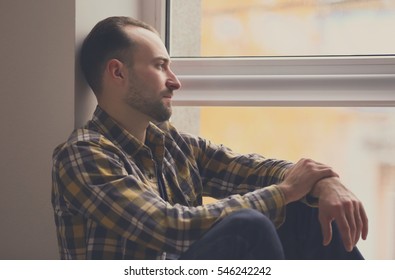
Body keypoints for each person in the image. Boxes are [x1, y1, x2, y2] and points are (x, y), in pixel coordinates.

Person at [51, 16, 368, 260]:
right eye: (160, 66)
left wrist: (324, 182)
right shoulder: (83, 154)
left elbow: (252, 169)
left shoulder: (173, 146)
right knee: (249, 227)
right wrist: (285, 191)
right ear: (118, 73)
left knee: (303, 210)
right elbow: (168, 227)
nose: (175, 81)